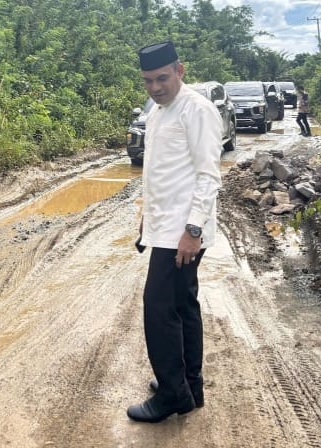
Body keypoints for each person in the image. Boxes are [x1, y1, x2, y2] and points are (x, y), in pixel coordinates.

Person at [127, 41, 222, 423]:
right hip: (164, 227)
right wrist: (146, 219)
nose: (155, 87)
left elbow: (208, 175)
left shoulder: (197, 109)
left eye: (162, 78)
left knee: (158, 308)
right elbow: (159, 173)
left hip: (183, 233)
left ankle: (172, 395)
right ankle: (189, 385)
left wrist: (193, 230)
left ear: (180, 71)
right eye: (148, 80)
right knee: (182, 306)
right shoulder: (157, 112)